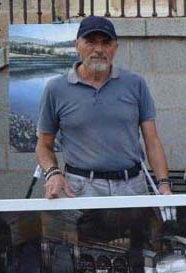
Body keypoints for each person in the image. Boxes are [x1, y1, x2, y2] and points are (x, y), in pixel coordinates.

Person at [36, 16, 172, 198]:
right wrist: (53, 173)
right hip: (81, 189)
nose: (99, 49)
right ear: (77, 45)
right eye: (91, 42)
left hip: (132, 187)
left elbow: (152, 140)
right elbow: (44, 145)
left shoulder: (135, 84)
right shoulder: (56, 89)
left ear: (115, 47)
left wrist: (163, 183)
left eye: (106, 43)